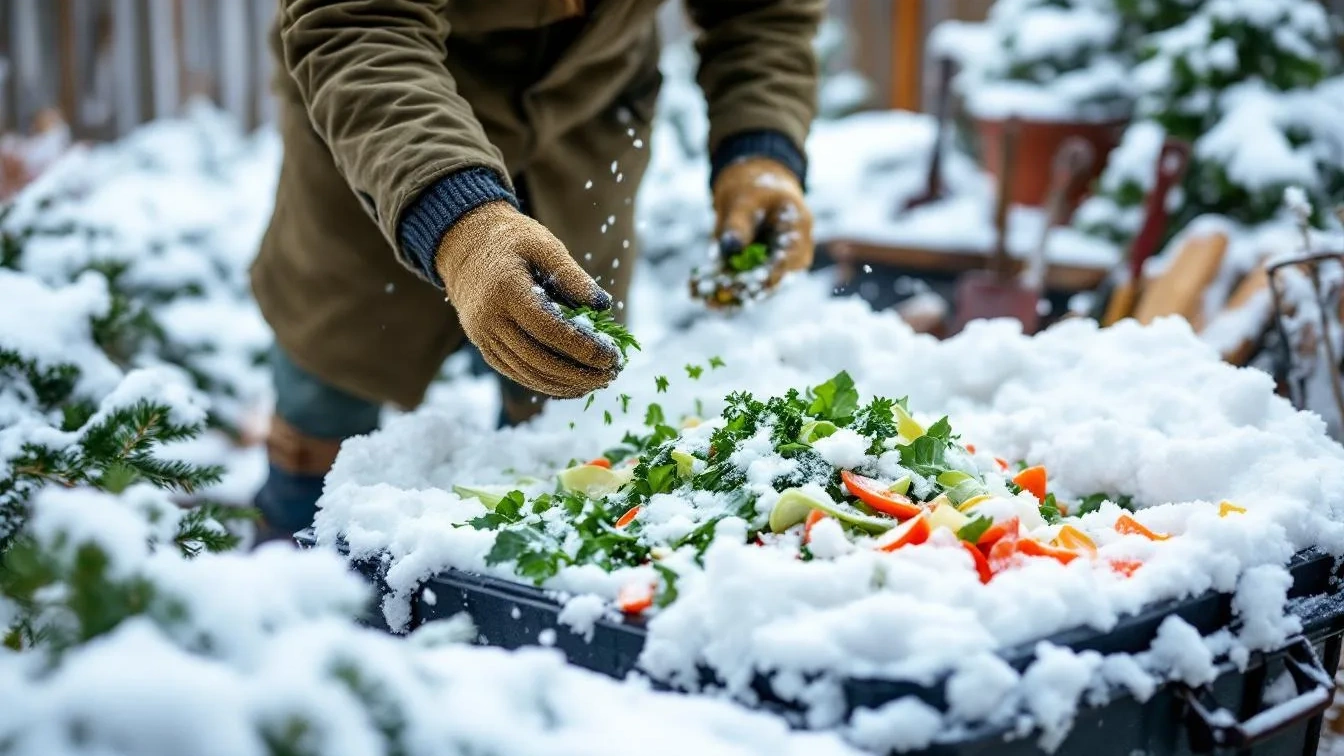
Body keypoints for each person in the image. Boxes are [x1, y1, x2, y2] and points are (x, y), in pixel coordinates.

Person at [251, 0, 822, 540]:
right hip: (387, 133)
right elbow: (358, 21)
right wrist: (460, 222)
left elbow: (762, 12)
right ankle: (292, 581)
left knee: (562, 427)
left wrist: (761, 146)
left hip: (582, 137)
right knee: (324, 404)